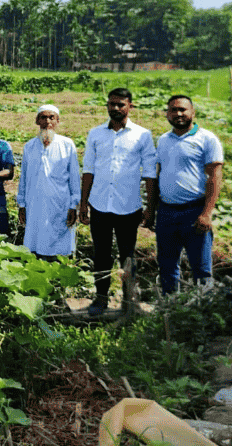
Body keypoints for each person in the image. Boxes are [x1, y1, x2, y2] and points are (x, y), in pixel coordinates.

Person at [80, 88, 157, 315]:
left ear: (130, 107)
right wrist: (83, 203)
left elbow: (150, 173)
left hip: (128, 205)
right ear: (107, 105)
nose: (115, 108)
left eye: (121, 105)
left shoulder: (143, 135)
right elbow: (88, 169)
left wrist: (150, 208)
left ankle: (129, 300)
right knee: (101, 254)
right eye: (112, 104)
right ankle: (100, 299)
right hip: (100, 204)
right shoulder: (96, 134)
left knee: (128, 255)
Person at [155, 95, 223, 295]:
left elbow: (215, 177)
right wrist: (153, 211)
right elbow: (159, 174)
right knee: (167, 265)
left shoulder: (207, 139)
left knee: (201, 267)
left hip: (194, 211)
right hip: (167, 212)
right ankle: (169, 309)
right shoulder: (163, 140)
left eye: (183, 110)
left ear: (193, 112)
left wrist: (207, 213)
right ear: (167, 114)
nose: (178, 114)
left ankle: (203, 314)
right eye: (173, 110)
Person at [17, 105, 80, 260]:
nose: (47, 121)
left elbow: (74, 178)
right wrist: (22, 205)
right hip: (34, 206)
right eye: (43, 117)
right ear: (37, 120)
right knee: (35, 244)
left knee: (59, 251)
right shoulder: (29, 147)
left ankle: (58, 280)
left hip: (60, 206)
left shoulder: (67, 145)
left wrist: (74, 205)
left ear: (57, 121)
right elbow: (23, 178)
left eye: (51, 117)